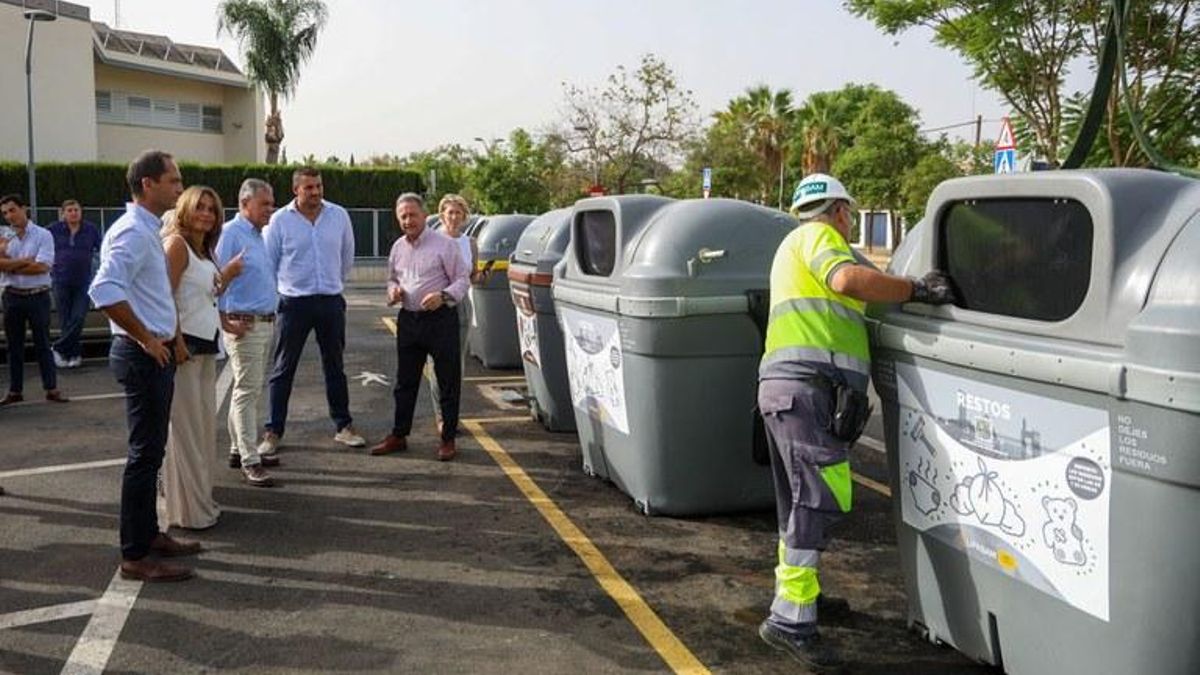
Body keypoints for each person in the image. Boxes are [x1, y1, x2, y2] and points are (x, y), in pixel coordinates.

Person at [756, 173, 956, 668]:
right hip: (807, 391)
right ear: (841, 211)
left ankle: (802, 597)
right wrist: (916, 288)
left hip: (789, 392)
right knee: (818, 499)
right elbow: (846, 280)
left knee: (798, 503)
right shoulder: (820, 237)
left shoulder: (793, 245)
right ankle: (789, 620)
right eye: (848, 214)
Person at [89, 149, 200, 582]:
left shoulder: (147, 228)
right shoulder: (134, 232)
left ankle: (149, 535)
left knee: (152, 453)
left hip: (155, 353)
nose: (179, 187)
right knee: (143, 456)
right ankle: (134, 555)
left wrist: (168, 337)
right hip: (142, 356)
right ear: (148, 184)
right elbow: (104, 289)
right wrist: (145, 337)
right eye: (173, 180)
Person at [262, 166, 365, 454]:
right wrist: (276, 298)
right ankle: (273, 431)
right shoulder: (280, 220)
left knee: (335, 367)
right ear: (296, 189)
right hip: (293, 304)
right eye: (309, 187)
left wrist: (333, 284)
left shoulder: (338, 215)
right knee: (283, 368)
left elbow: (347, 256)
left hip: (330, 301)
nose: (316, 192)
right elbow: (270, 262)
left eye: (318, 186)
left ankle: (344, 426)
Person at [159, 186, 244, 529]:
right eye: (200, 207)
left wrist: (227, 276)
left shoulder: (203, 250)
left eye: (212, 209)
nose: (206, 214)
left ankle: (198, 502)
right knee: (186, 434)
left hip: (206, 346)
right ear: (185, 209)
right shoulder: (176, 244)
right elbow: (163, 296)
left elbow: (206, 294)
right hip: (185, 350)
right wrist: (176, 340)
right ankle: (188, 512)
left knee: (202, 431)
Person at [370, 193, 469, 460]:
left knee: (447, 382)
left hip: (440, 320)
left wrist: (444, 296)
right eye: (403, 216)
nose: (408, 220)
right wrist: (393, 291)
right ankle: (399, 435)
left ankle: (448, 438)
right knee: (405, 382)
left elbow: (462, 279)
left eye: (412, 215)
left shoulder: (445, 245)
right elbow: (392, 279)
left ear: (425, 215)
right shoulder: (398, 247)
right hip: (409, 320)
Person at [216, 179, 279, 487]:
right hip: (246, 325)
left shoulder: (257, 235)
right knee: (247, 393)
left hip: (263, 323)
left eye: (272, 203)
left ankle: (238, 449)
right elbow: (214, 281)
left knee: (248, 390)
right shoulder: (230, 234)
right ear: (244, 204)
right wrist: (225, 321)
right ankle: (250, 460)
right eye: (264, 204)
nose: (271, 209)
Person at [0, 194, 68, 405]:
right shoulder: (3, 236)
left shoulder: (43, 235)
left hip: (37, 296)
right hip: (12, 296)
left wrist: (11, 265)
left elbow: (42, 267)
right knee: (14, 346)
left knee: (43, 344)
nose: (9, 216)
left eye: (12, 210)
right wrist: (25, 261)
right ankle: (15, 390)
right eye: (5, 213)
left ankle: (51, 388)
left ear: (24, 209)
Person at [427, 194, 478, 435]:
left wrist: (481, 277)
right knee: (437, 362)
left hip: (461, 304)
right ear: (442, 215)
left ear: (464, 216)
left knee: (456, 363)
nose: (454, 217)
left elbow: (472, 275)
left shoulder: (470, 243)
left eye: (459, 213)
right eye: (450, 212)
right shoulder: (432, 241)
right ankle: (440, 415)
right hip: (438, 305)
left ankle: (452, 415)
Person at [48, 200, 102, 368]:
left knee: (78, 317)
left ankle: (58, 347)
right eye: (70, 210)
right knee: (66, 320)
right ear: (63, 213)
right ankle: (71, 355)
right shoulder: (53, 229)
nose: (73, 213)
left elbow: (102, 249)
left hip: (84, 281)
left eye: (76, 210)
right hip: (60, 280)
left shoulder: (90, 229)